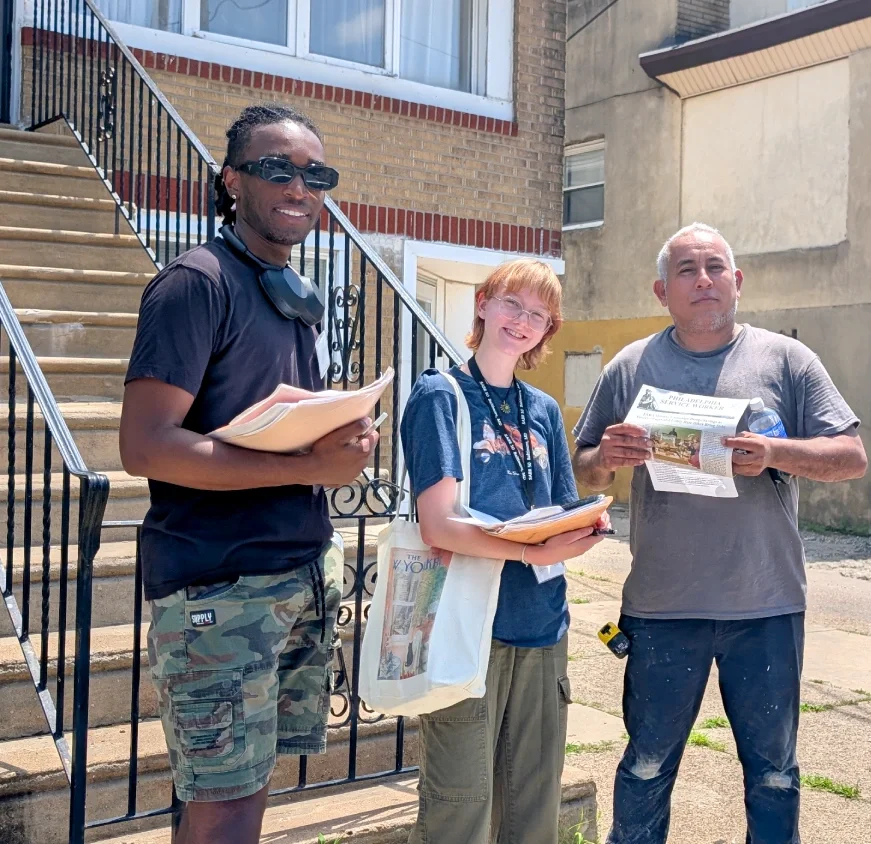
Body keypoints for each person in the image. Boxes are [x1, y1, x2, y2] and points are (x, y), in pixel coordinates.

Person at [119, 104, 379, 844]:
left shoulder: (294, 298)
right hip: (219, 589)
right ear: (232, 180)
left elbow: (261, 422)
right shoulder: (195, 284)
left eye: (315, 175)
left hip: (294, 572)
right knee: (225, 805)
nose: (299, 186)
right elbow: (146, 446)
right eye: (276, 169)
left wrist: (339, 438)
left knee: (239, 787)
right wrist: (305, 464)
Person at [572, 223, 868, 844]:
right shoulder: (631, 367)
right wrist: (609, 457)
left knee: (775, 776)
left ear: (738, 281)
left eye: (714, 267)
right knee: (647, 767)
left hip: (767, 605)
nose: (702, 280)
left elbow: (851, 457)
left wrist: (776, 452)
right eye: (686, 270)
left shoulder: (787, 360)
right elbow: (578, 468)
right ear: (662, 290)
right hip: (660, 609)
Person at [400, 258, 608, 844]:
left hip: (542, 626)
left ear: (548, 331)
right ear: (484, 304)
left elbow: (564, 509)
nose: (522, 321)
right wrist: (526, 553)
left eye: (538, 314)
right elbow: (438, 525)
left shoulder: (541, 410)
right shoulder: (440, 397)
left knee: (532, 813)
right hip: (470, 626)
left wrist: (586, 529)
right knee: (459, 811)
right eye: (512, 304)